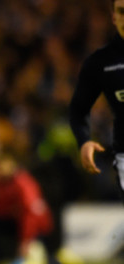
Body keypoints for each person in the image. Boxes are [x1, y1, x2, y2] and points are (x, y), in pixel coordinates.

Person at [69, 0, 124, 204]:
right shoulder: (101, 62)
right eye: (122, 11)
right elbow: (78, 109)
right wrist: (84, 140)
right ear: (114, 17)